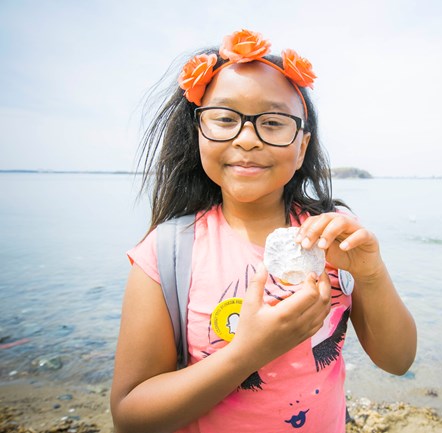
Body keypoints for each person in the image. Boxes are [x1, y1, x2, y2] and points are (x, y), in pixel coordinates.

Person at [110, 29, 417, 433]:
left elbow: (397, 360)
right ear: (199, 133)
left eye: (273, 123)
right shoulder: (166, 252)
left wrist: (372, 274)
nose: (249, 139)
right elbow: (131, 415)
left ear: (302, 146)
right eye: (224, 119)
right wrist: (248, 353)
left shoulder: (333, 235)